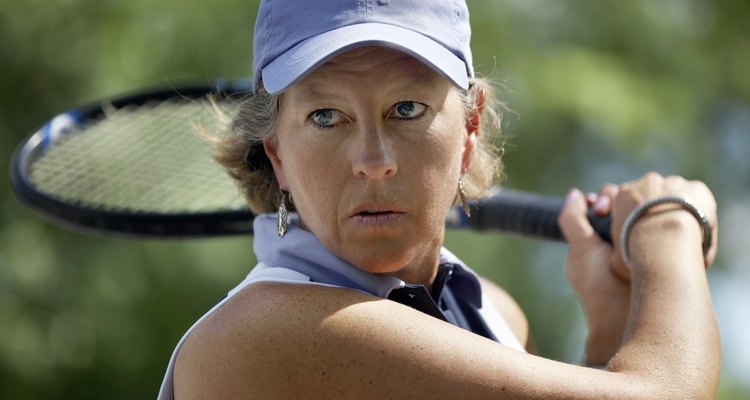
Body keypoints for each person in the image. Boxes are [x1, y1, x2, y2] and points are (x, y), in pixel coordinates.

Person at [158, 0, 720, 398]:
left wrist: (607, 323)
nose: (373, 160)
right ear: (276, 151)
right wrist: (669, 230)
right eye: (326, 116)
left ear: (470, 127)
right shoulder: (259, 335)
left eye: (407, 109)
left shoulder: (495, 315)